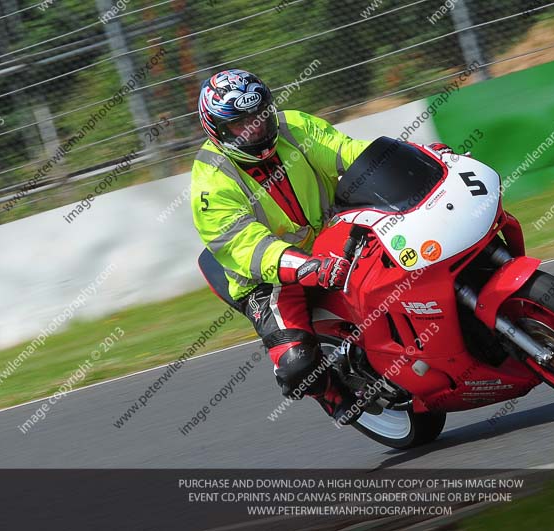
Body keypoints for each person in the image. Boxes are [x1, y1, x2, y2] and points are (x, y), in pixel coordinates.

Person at [191, 68, 454, 425]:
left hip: (334, 233)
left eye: (261, 115)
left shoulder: (293, 127)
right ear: (219, 130)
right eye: (243, 125)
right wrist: (303, 266)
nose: (257, 128)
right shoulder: (210, 184)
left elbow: (350, 153)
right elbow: (247, 248)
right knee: (297, 364)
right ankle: (332, 394)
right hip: (270, 279)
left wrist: (417, 158)